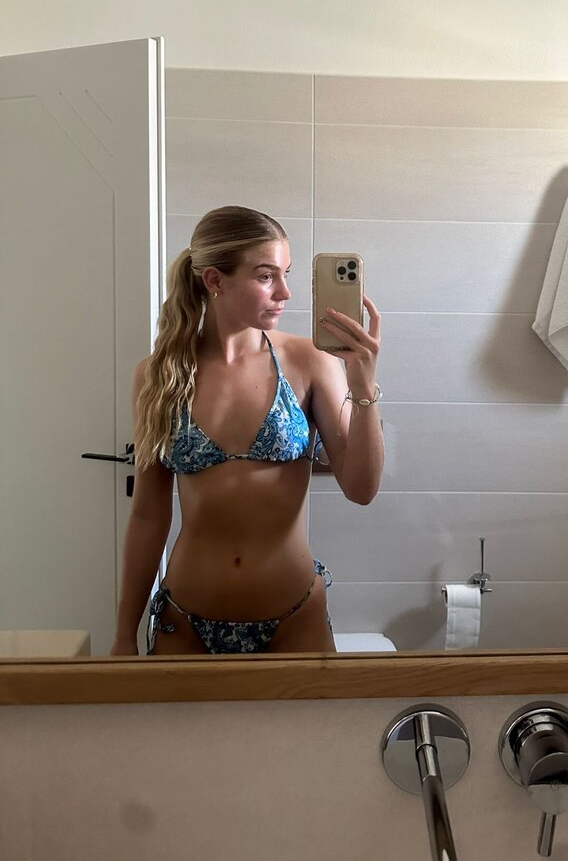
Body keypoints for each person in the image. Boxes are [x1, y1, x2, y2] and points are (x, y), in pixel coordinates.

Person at [109, 205, 383, 656]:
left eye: (285, 274)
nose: (285, 292)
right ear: (215, 280)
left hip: (294, 619)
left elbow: (362, 488)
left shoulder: (310, 361)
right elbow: (148, 516)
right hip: (186, 621)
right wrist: (124, 633)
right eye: (266, 276)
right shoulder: (159, 375)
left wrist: (363, 386)